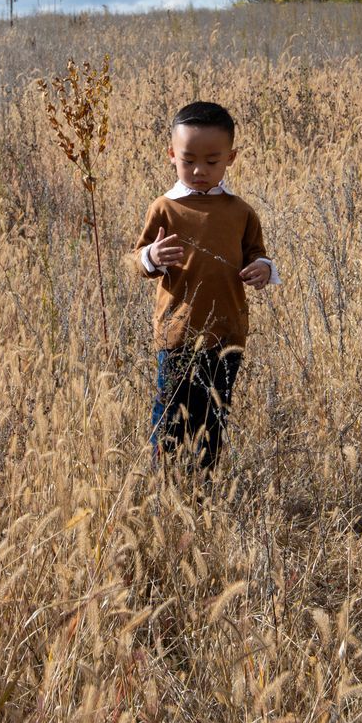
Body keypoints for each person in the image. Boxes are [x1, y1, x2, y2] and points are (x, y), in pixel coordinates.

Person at [131, 101, 276, 470]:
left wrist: (262, 268)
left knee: (213, 416)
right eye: (188, 159)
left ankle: (204, 487)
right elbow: (135, 260)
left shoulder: (240, 211)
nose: (199, 170)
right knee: (171, 416)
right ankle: (164, 484)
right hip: (178, 333)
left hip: (227, 335)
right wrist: (152, 256)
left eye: (212, 161)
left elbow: (257, 255)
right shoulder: (164, 208)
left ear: (231, 157)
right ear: (171, 155)